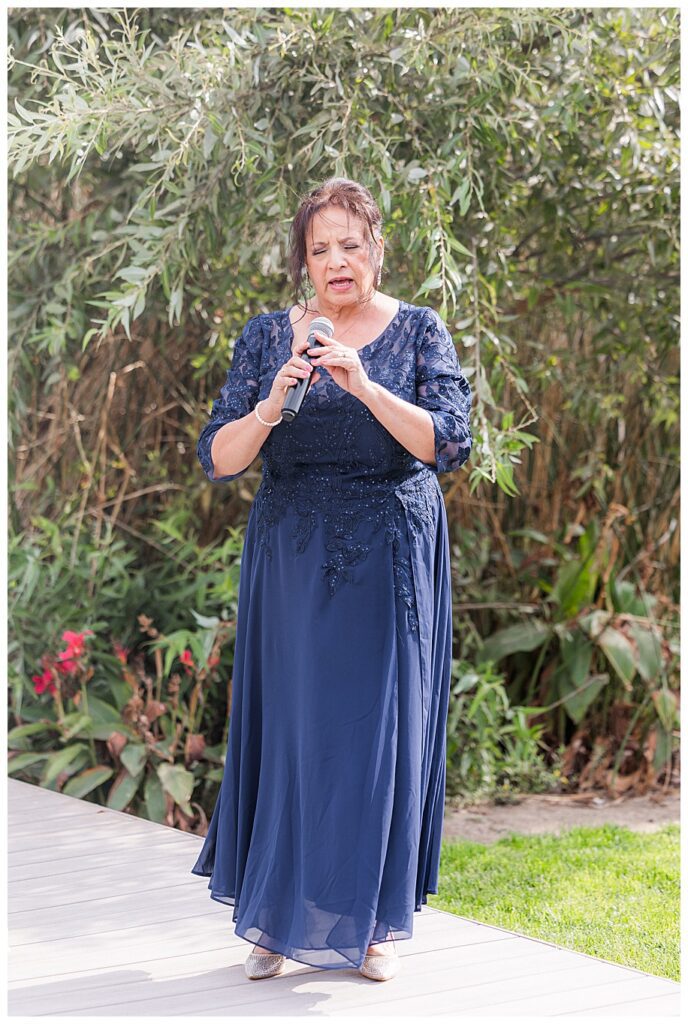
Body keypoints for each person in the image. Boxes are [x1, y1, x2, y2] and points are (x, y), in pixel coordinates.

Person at [190, 177, 473, 982]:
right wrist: (272, 402)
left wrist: (364, 385)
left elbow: (448, 444)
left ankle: (373, 925)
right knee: (292, 733)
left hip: (388, 557)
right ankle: (276, 920)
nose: (337, 261)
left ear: (378, 248)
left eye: (351, 244)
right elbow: (218, 458)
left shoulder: (418, 330)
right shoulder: (265, 338)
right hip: (290, 559)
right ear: (304, 261)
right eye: (321, 249)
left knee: (374, 737)